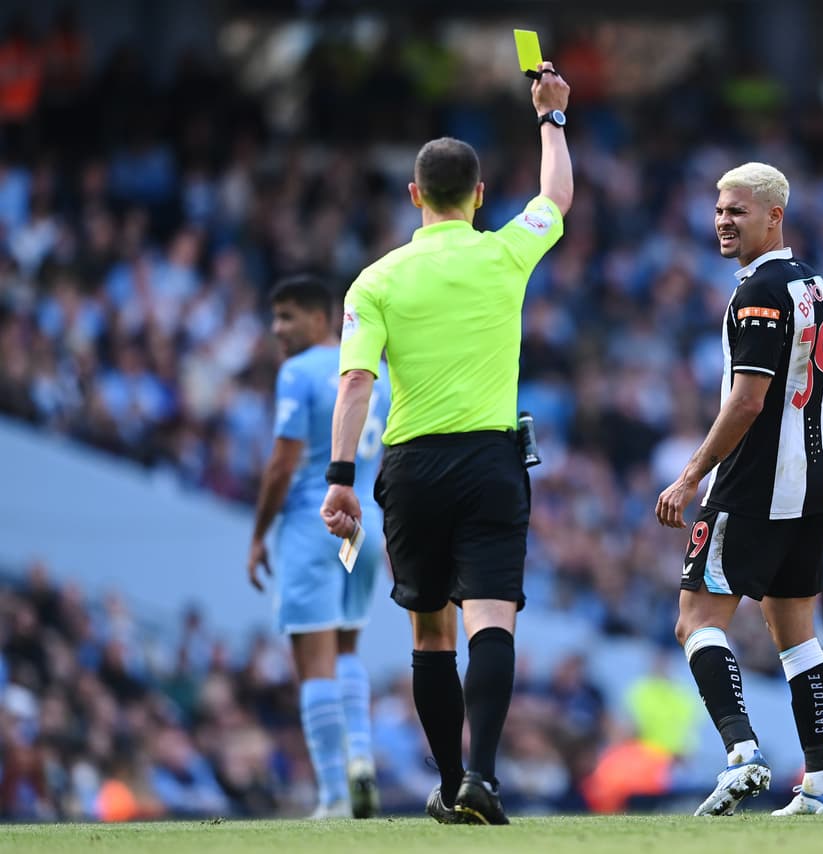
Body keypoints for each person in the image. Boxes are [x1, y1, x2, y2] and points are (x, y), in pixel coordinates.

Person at [320, 61, 572, 826]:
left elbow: (355, 384)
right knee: (490, 618)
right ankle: (483, 778)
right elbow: (557, 197)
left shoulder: (375, 281)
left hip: (412, 467)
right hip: (491, 461)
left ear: (414, 195)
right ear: (480, 195)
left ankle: (452, 779)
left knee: (430, 630)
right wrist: (551, 117)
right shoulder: (504, 253)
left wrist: (340, 477)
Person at [655, 161, 823, 817]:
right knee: (796, 633)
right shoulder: (814, 285)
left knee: (695, 618)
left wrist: (690, 475)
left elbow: (748, 400)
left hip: (754, 484)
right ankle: (820, 784)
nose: (723, 222)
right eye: (719, 211)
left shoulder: (758, 292)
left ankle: (741, 752)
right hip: (811, 487)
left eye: (737, 210)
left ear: (773, 216)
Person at [246, 275, 391, 819]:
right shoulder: (377, 373)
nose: (277, 329)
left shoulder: (299, 372)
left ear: (319, 317)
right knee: (347, 649)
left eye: (287, 316)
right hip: (364, 527)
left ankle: (333, 794)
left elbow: (283, 463)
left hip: (315, 525)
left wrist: (259, 534)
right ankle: (361, 760)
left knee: (314, 664)